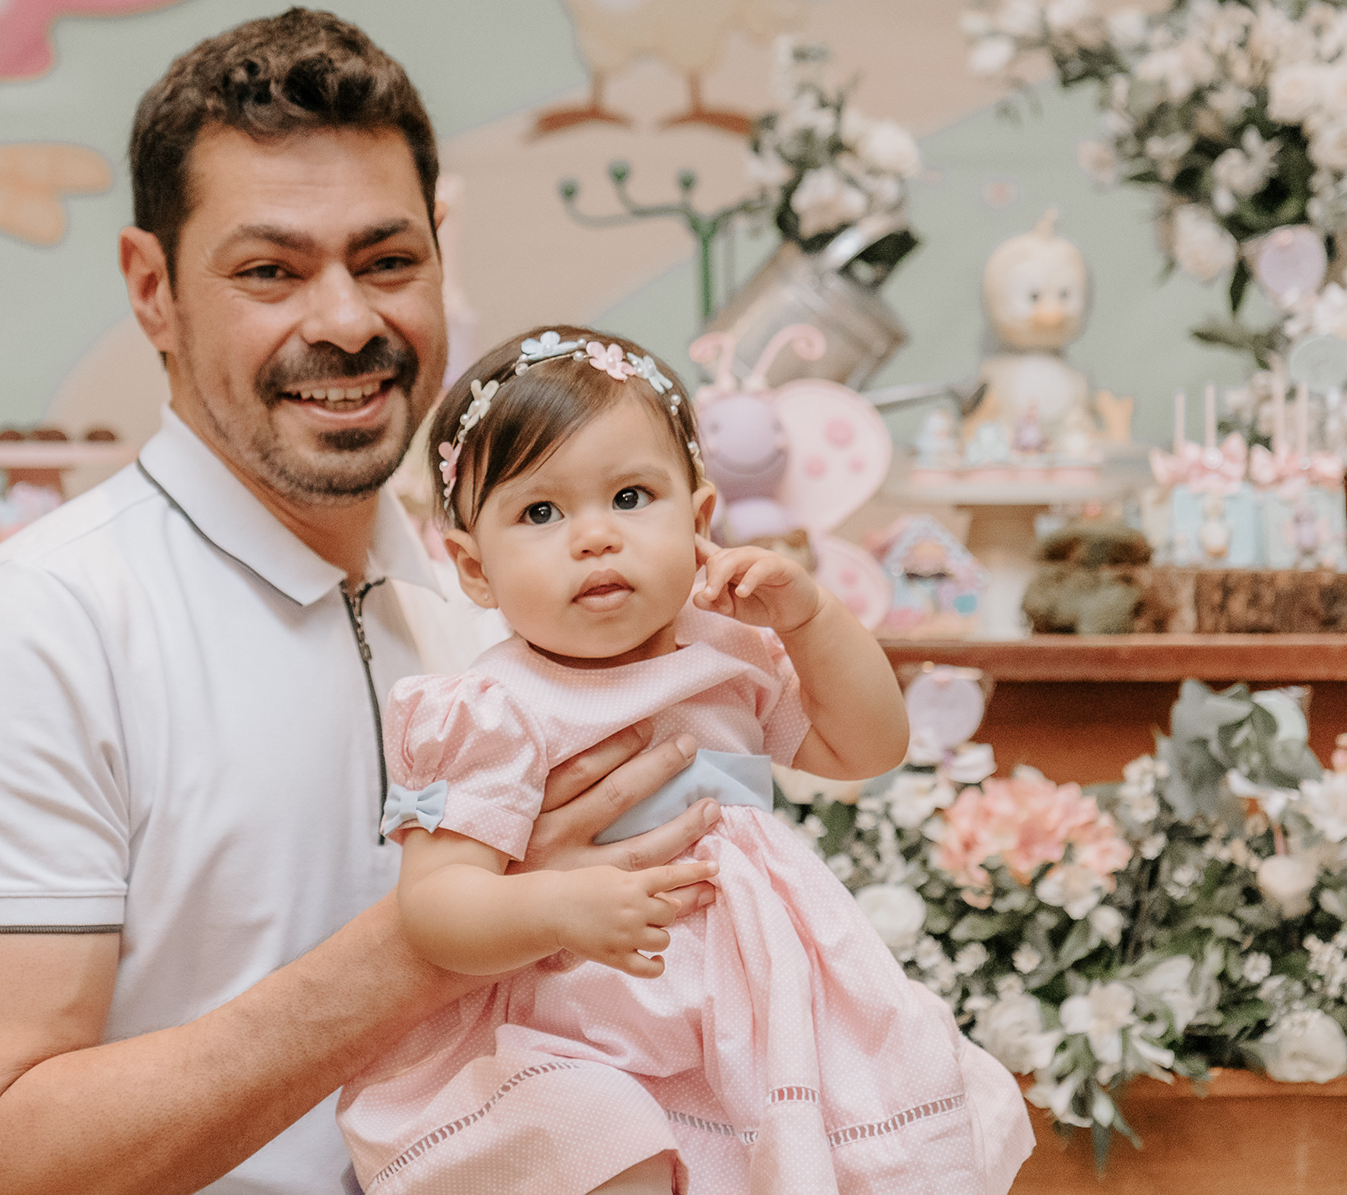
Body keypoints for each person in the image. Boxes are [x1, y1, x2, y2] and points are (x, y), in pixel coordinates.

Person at [0, 10, 729, 1195]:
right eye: (271, 271)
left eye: (388, 260)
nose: (348, 321)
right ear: (152, 290)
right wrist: (436, 936)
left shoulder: (496, 608)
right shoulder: (36, 634)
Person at [337, 328, 1034, 1194]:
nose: (595, 537)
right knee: (606, 1140)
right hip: (574, 1018)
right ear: (475, 569)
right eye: (541, 513)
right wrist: (557, 906)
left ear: (699, 521)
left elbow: (869, 745)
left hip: (749, 1006)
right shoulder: (493, 709)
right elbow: (437, 904)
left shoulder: (731, 655)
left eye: (631, 496)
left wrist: (813, 622)